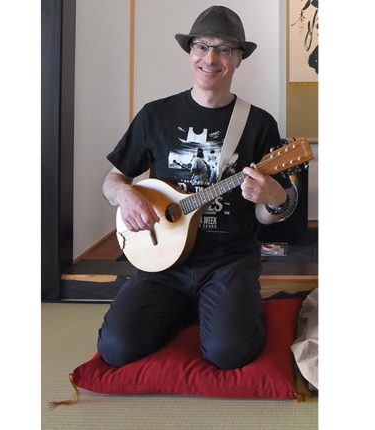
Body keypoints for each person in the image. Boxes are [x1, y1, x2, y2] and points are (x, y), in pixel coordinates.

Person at [98, 5, 297, 370]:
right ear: (190, 52)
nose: (210, 58)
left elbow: (270, 214)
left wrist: (272, 198)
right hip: (163, 260)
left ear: (238, 59)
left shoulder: (259, 123)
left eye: (224, 49)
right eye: (202, 46)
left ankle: (220, 307)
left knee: (229, 353)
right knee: (115, 348)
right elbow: (112, 179)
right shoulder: (155, 115)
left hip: (228, 261)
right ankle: (193, 307)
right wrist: (124, 194)